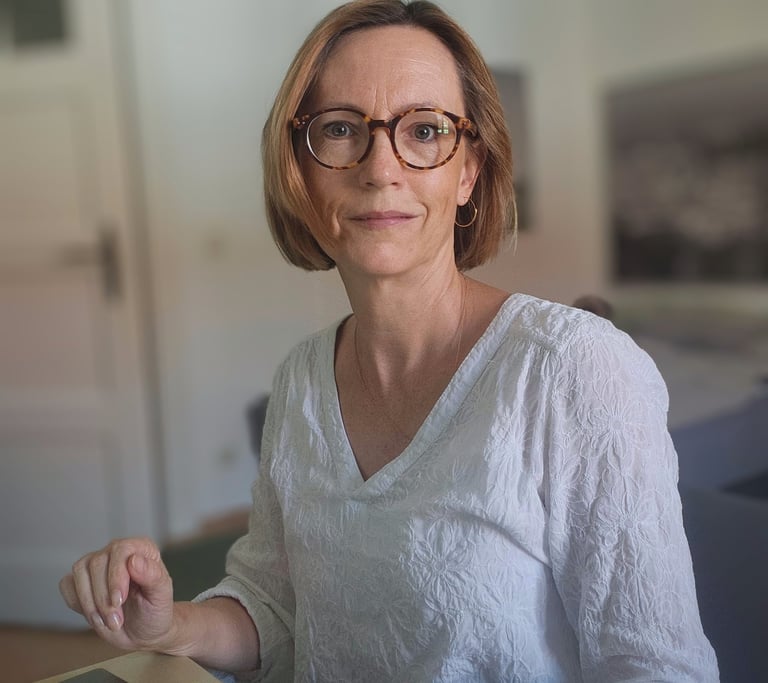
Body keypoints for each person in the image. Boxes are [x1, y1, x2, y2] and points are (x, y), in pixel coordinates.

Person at [59, 1, 719, 680]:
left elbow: (657, 668)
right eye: (341, 129)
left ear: (468, 173)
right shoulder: (301, 379)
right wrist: (169, 624)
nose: (380, 169)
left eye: (425, 130)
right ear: (300, 171)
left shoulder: (576, 367)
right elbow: (276, 611)